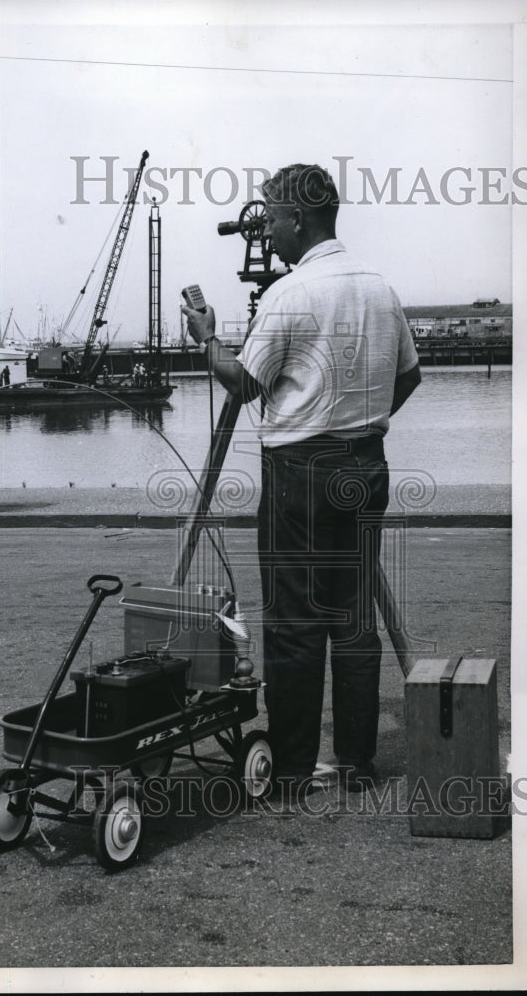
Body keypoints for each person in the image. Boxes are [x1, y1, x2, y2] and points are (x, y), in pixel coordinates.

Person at [182, 163, 421, 796]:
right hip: (367, 464)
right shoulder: (379, 287)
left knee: (293, 619)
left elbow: (245, 382)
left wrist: (208, 342)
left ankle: (289, 768)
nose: (266, 232)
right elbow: (410, 375)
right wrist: (358, 424)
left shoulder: (290, 294)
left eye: (271, 218)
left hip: (300, 472)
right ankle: (357, 763)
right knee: (353, 616)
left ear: (299, 219)